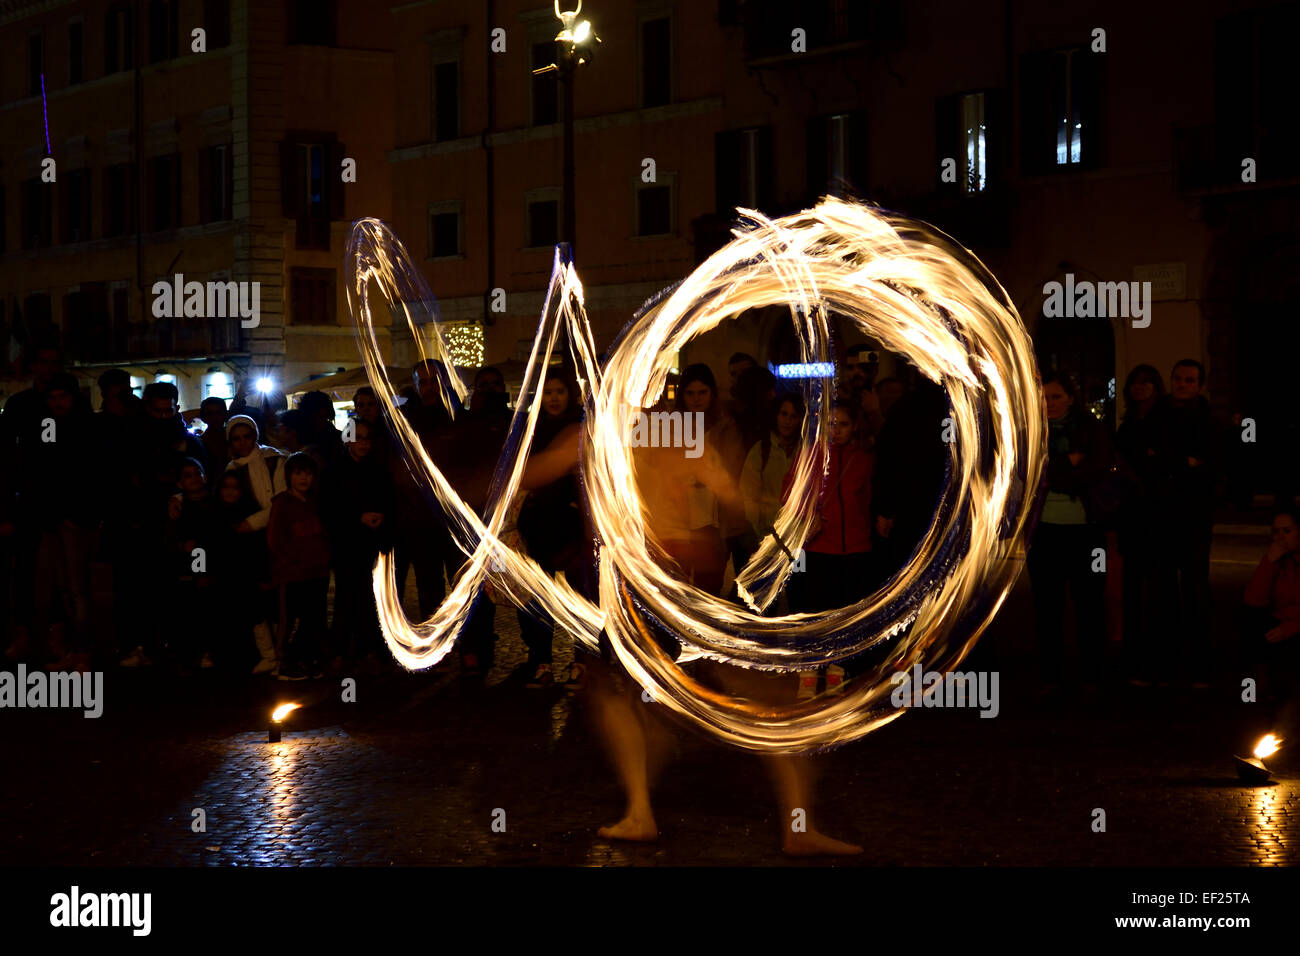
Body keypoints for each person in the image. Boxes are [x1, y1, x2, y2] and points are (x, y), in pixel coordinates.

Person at [1027, 370, 1114, 696]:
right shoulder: (1031, 431)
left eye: (1056, 396)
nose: (1049, 403)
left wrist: (1053, 472)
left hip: (1085, 531)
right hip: (1044, 531)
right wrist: (1067, 464)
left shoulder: (1090, 429)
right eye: (1045, 397)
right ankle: (1051, 674)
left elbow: (1094, 469)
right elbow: (1026, 473)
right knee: (1046, 606)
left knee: (1089, 604)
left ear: (1072, 398)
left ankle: (1092, 673)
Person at [781, 399, 873, 697]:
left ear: (854, 426)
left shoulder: (863, 459)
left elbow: (868, 500)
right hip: (816, 548)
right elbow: (788, 494)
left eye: (843, 424)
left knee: (842, 612)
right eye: (832, 424)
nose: (837, 430)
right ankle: (809, 670)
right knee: (812, 611)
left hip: (854, 548)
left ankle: (836, 668)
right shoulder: (810, 457)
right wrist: (809, 513)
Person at [1145, 359, 1219, 687]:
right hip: (1163, 516)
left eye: (1189, 380)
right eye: (1178, 379)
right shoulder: (1157, 415)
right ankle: (1166, 662)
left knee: (1195, 591)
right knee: (1163, 591)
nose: (1182, 384)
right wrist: (1180, 462)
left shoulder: (1209, 420)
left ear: (1200, 385)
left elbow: (1214, 462)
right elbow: (1148, 457)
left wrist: (1168, 462)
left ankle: (1196, 664)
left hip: (1194, 516)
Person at [515, 368, 585, 688]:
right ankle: (541, 659)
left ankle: (581, 660)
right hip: (538, 523)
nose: (554, 398)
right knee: (537, 596)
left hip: (574, 525)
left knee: (580, 595)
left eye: (560, 391)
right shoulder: (530, 430)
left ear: (570, 394)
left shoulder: (581, 427)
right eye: (548, 392)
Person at [28, 374, 98, 671]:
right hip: (54, 517)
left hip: (71, 518)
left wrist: (76, 514)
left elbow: (85, 474)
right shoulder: (50, 426)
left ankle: (81, 651)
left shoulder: (85, 427)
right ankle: (72, 649)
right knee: (64, 586)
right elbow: (44, 468)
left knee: (76, 587)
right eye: (52, 398)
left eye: (62, 397)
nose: (57, 403)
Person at [321, 418, 394, 670]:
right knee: (347, 595)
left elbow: (387, 497)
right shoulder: (334, 470)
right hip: (346, 542)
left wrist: (381, 515)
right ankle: (344, 648)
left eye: (366, 438)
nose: (363, 443)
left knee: (367, 596)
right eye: (358, 437)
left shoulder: (377, 468)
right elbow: (330, 507)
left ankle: (366, 647)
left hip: (372, 540)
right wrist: (358, 517)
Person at [223, 413, 286, 672]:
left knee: (279, 599)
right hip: (249, 544)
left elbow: (281, 503)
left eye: (247, 436)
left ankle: (280, 652)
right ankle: (269, 653)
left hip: (277, 536)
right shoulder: (232, 469)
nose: (243, 443)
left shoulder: (274, 460)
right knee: (258, 599)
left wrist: (253, 522)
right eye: (236, 439)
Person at [1114, 364, 1165, 686]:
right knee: (1132, 589)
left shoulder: (1164, 421)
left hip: (1159, 517)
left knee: (1158, 589)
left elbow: (1162, 462)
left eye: (1146, 383)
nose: (1140, 388)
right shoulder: (1128, 425)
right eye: (1135, 383)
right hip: (1132, 518)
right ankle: (1134, 657)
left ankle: (1157, 656)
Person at [268, 453, 331, 681]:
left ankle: (305, 658)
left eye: (308, 473)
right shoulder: (282, 503)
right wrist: (292, 562)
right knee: (292, 619)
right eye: (298, 473)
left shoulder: (314, 503)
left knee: (313, 619)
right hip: (293, 575)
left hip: (317, 572)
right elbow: (275, 539)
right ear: (289, 476)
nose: (304, 478)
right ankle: (284, 662)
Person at [1242, 510, 1300, 740]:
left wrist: (1291, 628)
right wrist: (1269, 562)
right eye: (1275, 532)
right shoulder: (1278, 562)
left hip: (1294, 629)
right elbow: (1253, 600)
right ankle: (1250, 703)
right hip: (1279, 626)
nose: (1280, 537)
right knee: (1250, 631)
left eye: (1287, 531)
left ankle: (1287, 721)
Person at [741, 392, 804, 544]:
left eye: (793, 416)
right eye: (784, 414)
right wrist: (758, 527)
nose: (787, 421)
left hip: (797, 535)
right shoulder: (762, 450)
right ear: (776, 416)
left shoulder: (805, 452)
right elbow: (748, 492)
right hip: (767, 535)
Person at [197, 396, 230, 479]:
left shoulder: (234, 439)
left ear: (225, 415)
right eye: (210, 413)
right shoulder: (198, 443)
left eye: (218, 413)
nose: (215, 417)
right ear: (203, 417)